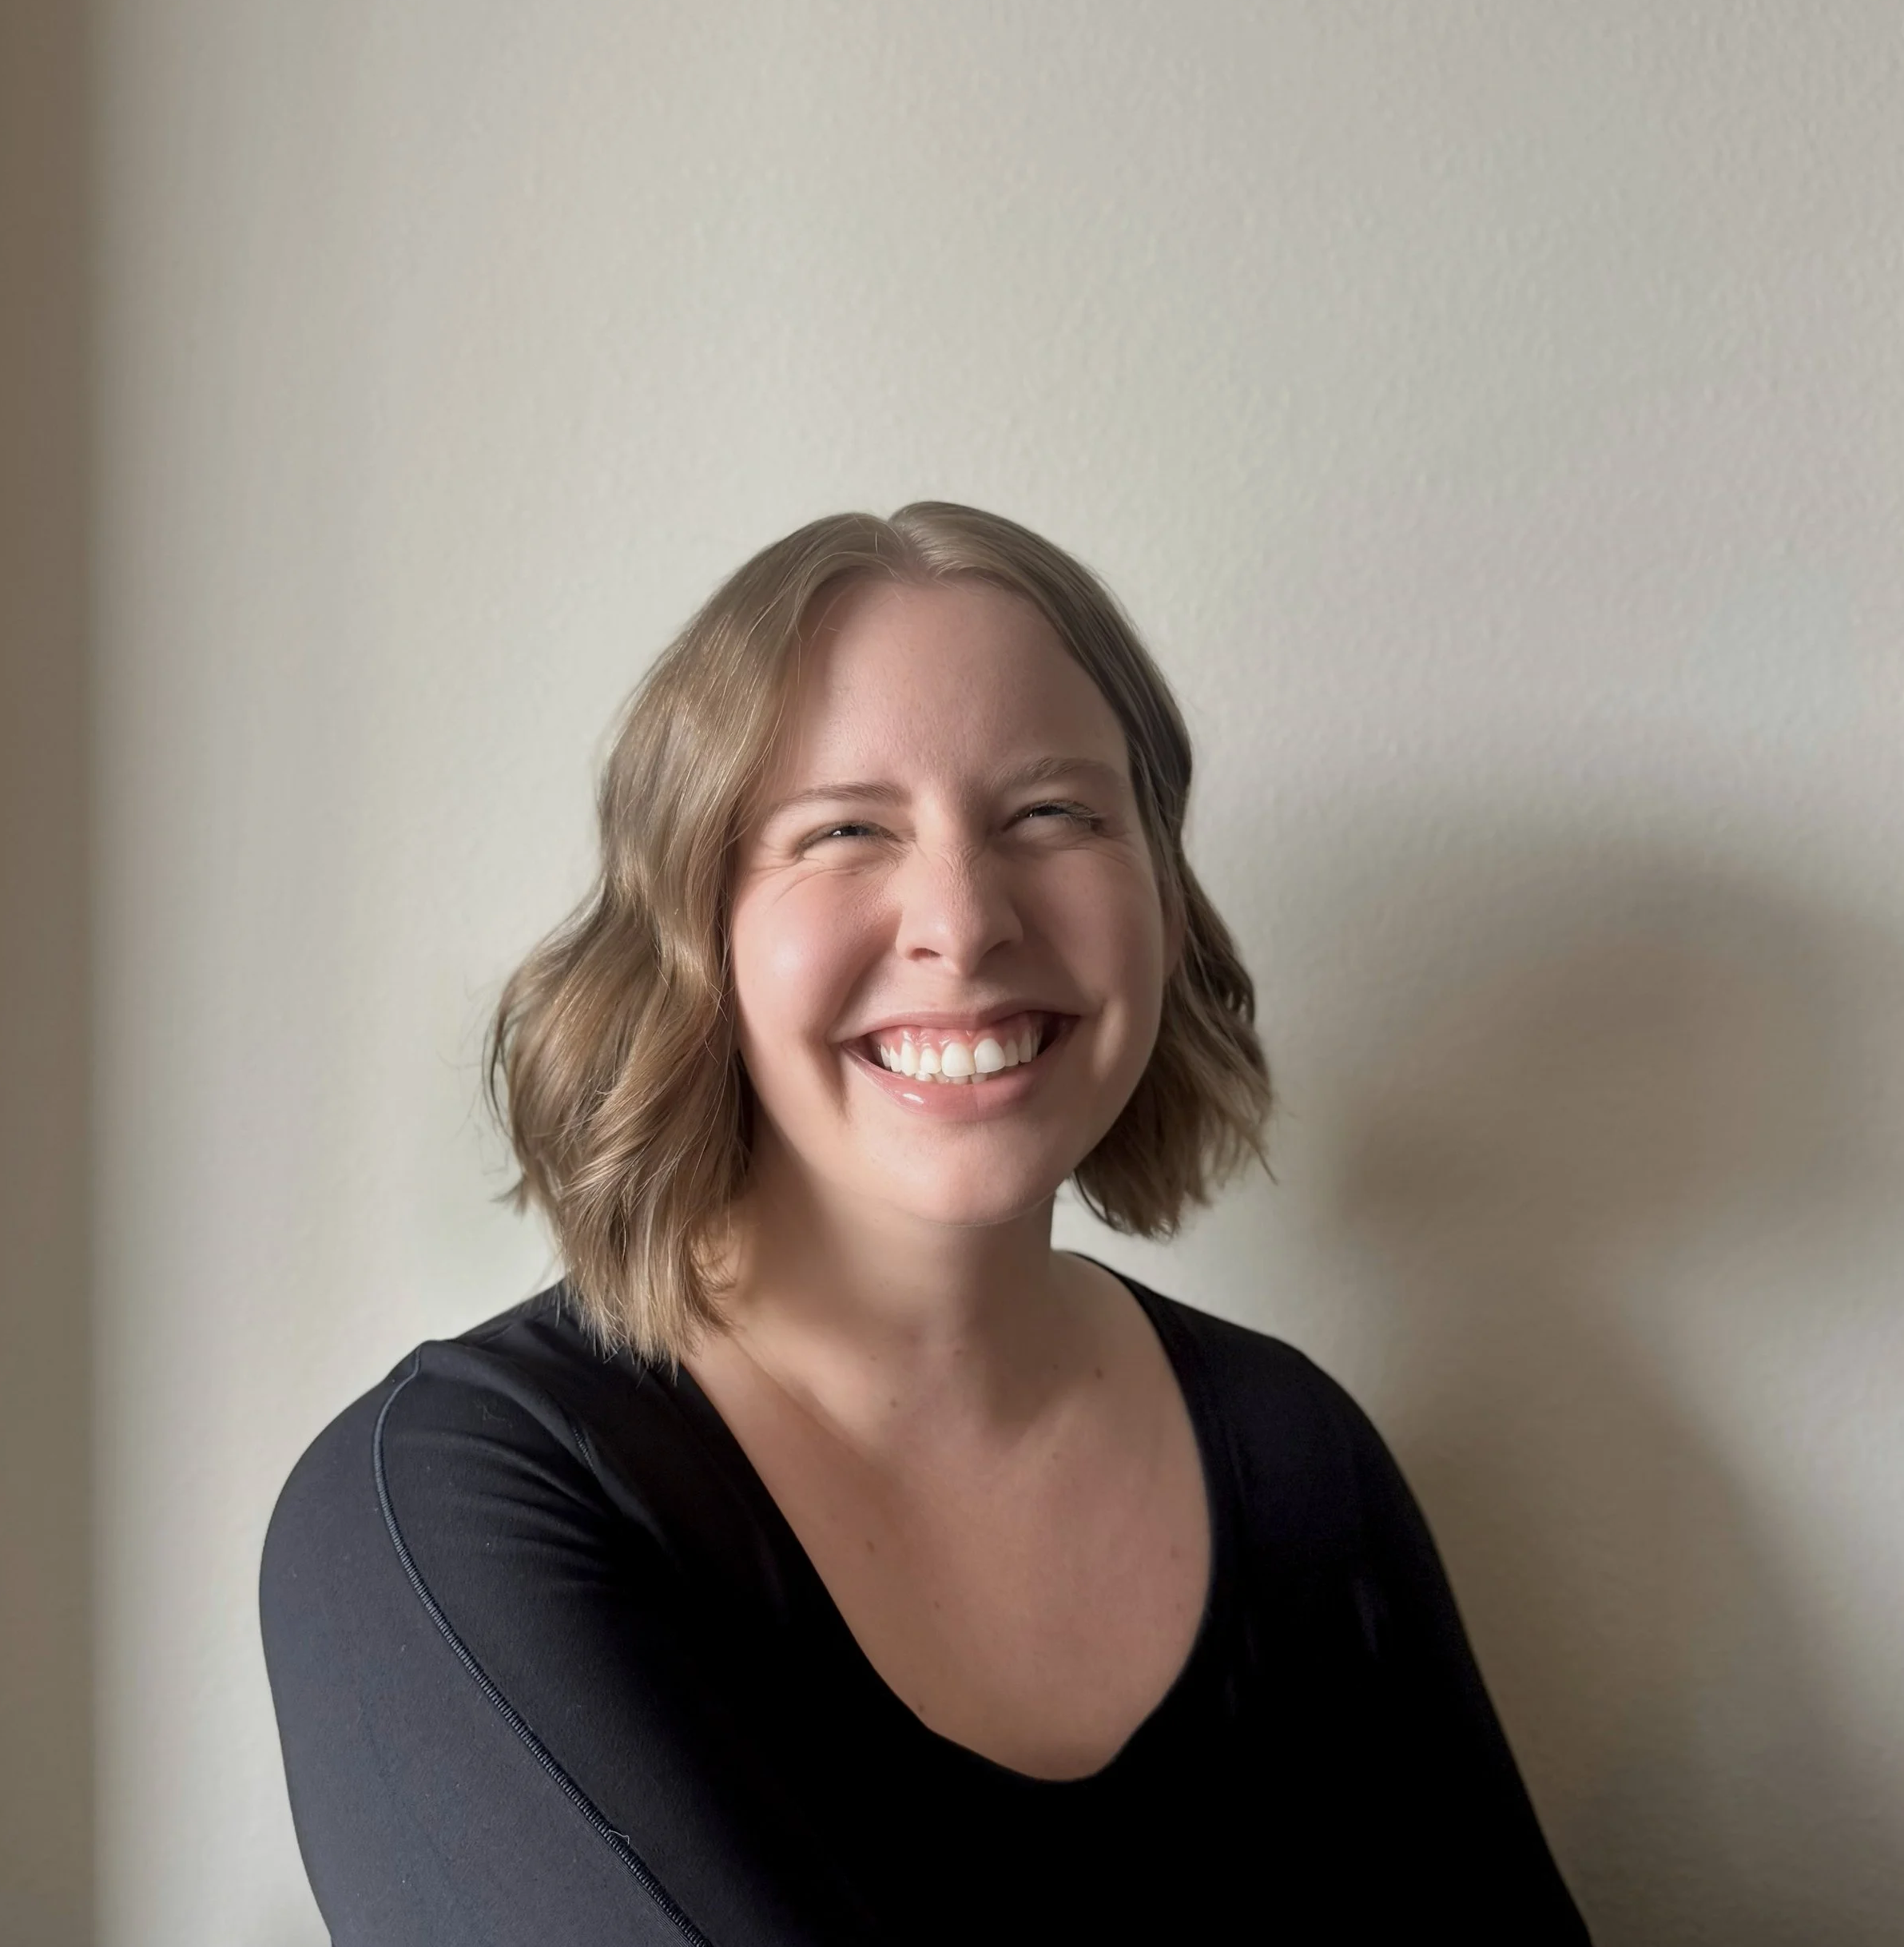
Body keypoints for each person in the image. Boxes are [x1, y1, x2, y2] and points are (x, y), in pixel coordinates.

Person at [260, 502, 1591, 1944]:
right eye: (841, 832)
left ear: (1161, 895)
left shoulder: (1297, 1454)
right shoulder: (445, 1507)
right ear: (691, 933)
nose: (963, 921)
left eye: (1054, 814)